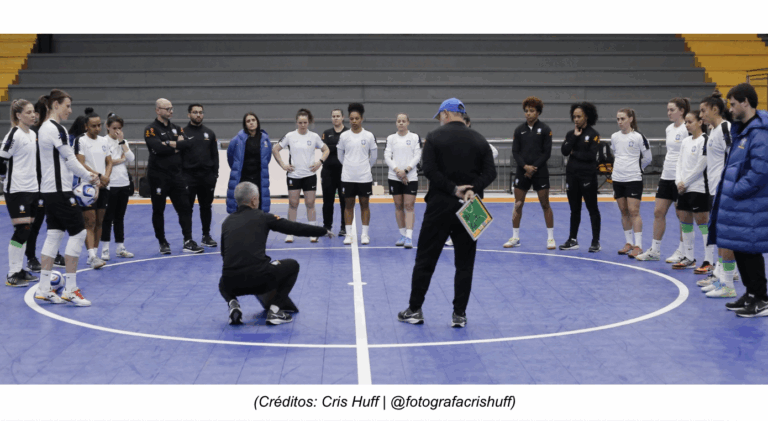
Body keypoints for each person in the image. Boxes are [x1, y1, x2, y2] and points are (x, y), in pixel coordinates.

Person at [398, 98, 496, 328]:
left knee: (425, 259)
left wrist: (454, 189)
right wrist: (472, 189)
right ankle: (459, 314)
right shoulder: (480, 139)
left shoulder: (434, 137)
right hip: (472, 207)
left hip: (440, 205)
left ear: (446, 114)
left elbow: (429, 170)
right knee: (465, 263)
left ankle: (414, 309)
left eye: (440, 116)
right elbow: (490, 173)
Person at [220, 182, 332, 325]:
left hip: (232, 283)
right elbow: (294, 228)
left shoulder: (226, 222)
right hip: (260, 280)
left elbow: (225, 255)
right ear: (254, 200)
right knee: (292, 265)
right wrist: (322, 231)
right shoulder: (263, 217)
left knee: (223, 281)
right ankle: (275, 310)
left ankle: (233, 304)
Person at [35, 89, 99, 306]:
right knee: (79, 232)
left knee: (54, 234)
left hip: (49, 191)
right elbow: (71, 160)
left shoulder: (44, 128)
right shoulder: (55, 129)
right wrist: (91, 177)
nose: (70, 110)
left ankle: (44, 288)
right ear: (55, 105)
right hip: (60, 191)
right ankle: (70, 289)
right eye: (67, 106)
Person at [710, 83, 768, 317]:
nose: (730, 109)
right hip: (742, 205)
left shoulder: (760, 133)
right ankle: (751, 294)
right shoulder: (743, 130)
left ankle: (762, 298)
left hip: (750, 204)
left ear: (746, 102)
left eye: (733, 104)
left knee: (750, 250)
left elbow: (760, 171)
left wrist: (734, 190)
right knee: (741, 248)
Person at [143, 98, 203, 255]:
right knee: (158, 210)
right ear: (158, 110)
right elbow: (156, 148)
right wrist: (176, 145)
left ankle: (188, 240)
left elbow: (187, 145)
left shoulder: (177, 128)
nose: (171, 111)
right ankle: (162, 241)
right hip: (158, 176)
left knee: (185, 207)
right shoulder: (151, 129)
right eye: (167, 108)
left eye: (171, 108)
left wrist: (167, 144)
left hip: (176, 176)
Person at [636, 98, 690, 262]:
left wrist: (685, 178)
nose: (669, 113)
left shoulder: (687, 128)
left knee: (682, 215)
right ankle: (655, 250)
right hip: (666, 176)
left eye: (672, 110)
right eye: (668, 110)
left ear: (681, 110)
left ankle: (682, 251)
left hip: (681, 177)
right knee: (658, 211)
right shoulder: (668, 129)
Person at [697, 92, 738, 297]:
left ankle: (728, 285)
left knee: (726, 237)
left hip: (724, 190)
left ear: (715, 109)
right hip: (713, 190)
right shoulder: (712, 131)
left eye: (703, 110)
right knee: (720, 236)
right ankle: (721, 278)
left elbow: (735, 158)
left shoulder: (725, 128)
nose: (701, 115)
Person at [272, 109, 329, 243]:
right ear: (296, 122)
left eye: (305, 122)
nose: (303, 125)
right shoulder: (290, 136)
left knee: (310, 203)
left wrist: (319, 162)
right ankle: (290, 232)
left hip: (309, 175)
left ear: (308, 122)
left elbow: (326, 149)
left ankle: (313, 232)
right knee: (293, 203)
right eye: (300, 122)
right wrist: (283, 165)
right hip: (294, 175)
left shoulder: (314, 136)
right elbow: (275, 149)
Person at [2, 99, 41, 287]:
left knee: (28, 230)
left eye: (33, 111)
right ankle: (12, 273)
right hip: (17, 190)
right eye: (28, 112)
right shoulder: (14, 135)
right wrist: (6, 179)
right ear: (18, 115)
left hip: (32, 188)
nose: (33, 115)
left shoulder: (32, 134)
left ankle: (19, 269)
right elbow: (1, 159)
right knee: (22, 230)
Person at [507, 97, 555, 250]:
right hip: (522, 173)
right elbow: (515, 151)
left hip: (540, 172)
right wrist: (525, 167)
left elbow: (546, 153)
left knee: (545, 204)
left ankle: (550, 238)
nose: (528, 114)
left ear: (538, 112)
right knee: (518, 204)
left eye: (532, 111)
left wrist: (533, 167)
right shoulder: (518, 130)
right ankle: (515, 237)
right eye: (526, 111)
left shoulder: (546, 130)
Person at [445, 113, 497, 247]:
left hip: (474, 182)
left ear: (468, 123)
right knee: (456, 208)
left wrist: (480, 164)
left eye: (465, 122)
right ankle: (454, 236)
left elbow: (493, 151)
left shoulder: (477, 139)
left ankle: (470, 236)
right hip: (458, 182)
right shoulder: (453, 140)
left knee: (472, 208)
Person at [559, 102, 602, 252]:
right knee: (574, 209)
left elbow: (590, 156)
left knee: (592, 209)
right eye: (574, 116)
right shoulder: (571, 134)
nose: (576, 119)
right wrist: (574, 139)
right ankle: (572, 239)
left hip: (587, 177)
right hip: (572, 177)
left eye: (579, 116)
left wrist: (574, 153)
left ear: (587, 117)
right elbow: (564, 151)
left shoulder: (593, 134)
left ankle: (595, 241)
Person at [73, 111, 112, 269]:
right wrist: (98, 176)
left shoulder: (104, 141)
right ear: (86, 126)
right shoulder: (80, 140)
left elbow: (109, 161)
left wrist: (106, 178)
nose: (97, 128)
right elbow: (80, 163)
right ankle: (91, 255)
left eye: (99, 125)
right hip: (87, 188)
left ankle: (94, 254)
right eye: (94, 126)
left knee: (100, 221)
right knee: (90, 221)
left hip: (103, 186)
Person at [610, 108, 651, 258]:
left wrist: (636, 170)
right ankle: (628, 242)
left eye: (623, 119)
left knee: (634, 211)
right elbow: (616, 154)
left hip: (633, 179)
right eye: (618, 119)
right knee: (623, 211)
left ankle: (638, 245)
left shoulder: (639, 137)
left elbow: (647, 158)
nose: (620, 122)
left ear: (631, 119)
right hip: (617, 179)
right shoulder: (614, 137)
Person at [672, 110, 710, 270]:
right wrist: (678, 181)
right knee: (685, 222)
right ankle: (689, 257)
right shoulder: (686, 141)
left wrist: (685, 182)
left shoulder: (705, 140)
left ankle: (708, 261)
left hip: (698, 188)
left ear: (700, 122)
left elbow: (702, 165)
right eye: (686, 122)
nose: (687, 125)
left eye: (690, 122)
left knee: (703, 224)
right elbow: (679, 163)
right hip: (683, 189)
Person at [337, 102, 377, 245]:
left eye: (357, 118)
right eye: (352, 118)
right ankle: (349, 235)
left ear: (362, 119)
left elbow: (373, 156)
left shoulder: (369, 135)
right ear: (349, 119)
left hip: (364, 177)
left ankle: (364, 235)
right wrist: (349, 166)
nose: (354, 121)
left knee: (364, 204)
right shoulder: (344, 136)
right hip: (347, 177)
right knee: (348, 205)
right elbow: (340, 155)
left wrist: (364, 167)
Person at [182, 103, 219, 248]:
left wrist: (214, 175)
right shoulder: (182, 133)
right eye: (195, 112)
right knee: (187, 208)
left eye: (200, 112)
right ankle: (188, 238)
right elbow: (178, 156)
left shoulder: (209, 133)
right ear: (189, 114)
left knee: (206, 206)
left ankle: (206, 235)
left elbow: (215, 156)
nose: (198, 115)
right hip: (188, 177)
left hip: (207, 177)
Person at [100, 114, 135, 261]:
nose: (117, 131)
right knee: (108, 218)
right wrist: (120, 159)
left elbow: (131, 159)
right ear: (107, 127)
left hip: (123, 183)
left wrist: (122, 143)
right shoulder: (103, 141)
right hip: (110, 184)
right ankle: (105, 249)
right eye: (114, 128)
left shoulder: (123, 142)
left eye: (119, 128)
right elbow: (105, 161)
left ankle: (120, 247)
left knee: (120, 217)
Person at [384, 113, 421, 248]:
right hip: (394, 176)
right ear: (396, 123)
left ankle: (409, 237)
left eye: (403, 121)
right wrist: (397, 171)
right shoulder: (391, 138)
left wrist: (405, 171)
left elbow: (417, 155)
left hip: (410, 176)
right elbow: (387, 156)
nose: (401, 123)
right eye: (398, 121)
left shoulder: (414, 137)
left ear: (408, 123)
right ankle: (402, 234)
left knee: (409, 206)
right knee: (398, 206)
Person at [23, 97, 50, 273]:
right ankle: (31, 256)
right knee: (35, 223)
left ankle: (53, 253)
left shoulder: (53, 132)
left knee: (57, 222)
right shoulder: (33, 135)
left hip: (53, 185)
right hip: (36, 186)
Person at [226, 112, 271, 214]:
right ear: (245, 124)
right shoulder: (236, 140)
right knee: (242, 207)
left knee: (258, 207)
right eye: (248, 121)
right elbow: (231, 158)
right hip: (242, 178)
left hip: (258, 179)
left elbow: (267, 158)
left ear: (257, 122)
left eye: (253, 120)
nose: (251, 123)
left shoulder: (265, 139)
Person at [321, 109, 349, 236]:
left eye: (338, 116)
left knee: (345, 201)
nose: (336, 118)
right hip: (328, 172)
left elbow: (347, 150)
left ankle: (344, 227)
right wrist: (337, 147)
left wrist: (333, 148)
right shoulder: (326, 133)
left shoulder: (348, 133)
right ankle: (327, 226)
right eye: (333, 116)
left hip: (344, 173)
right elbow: (325, 150)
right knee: (328, 201)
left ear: (343, 117)